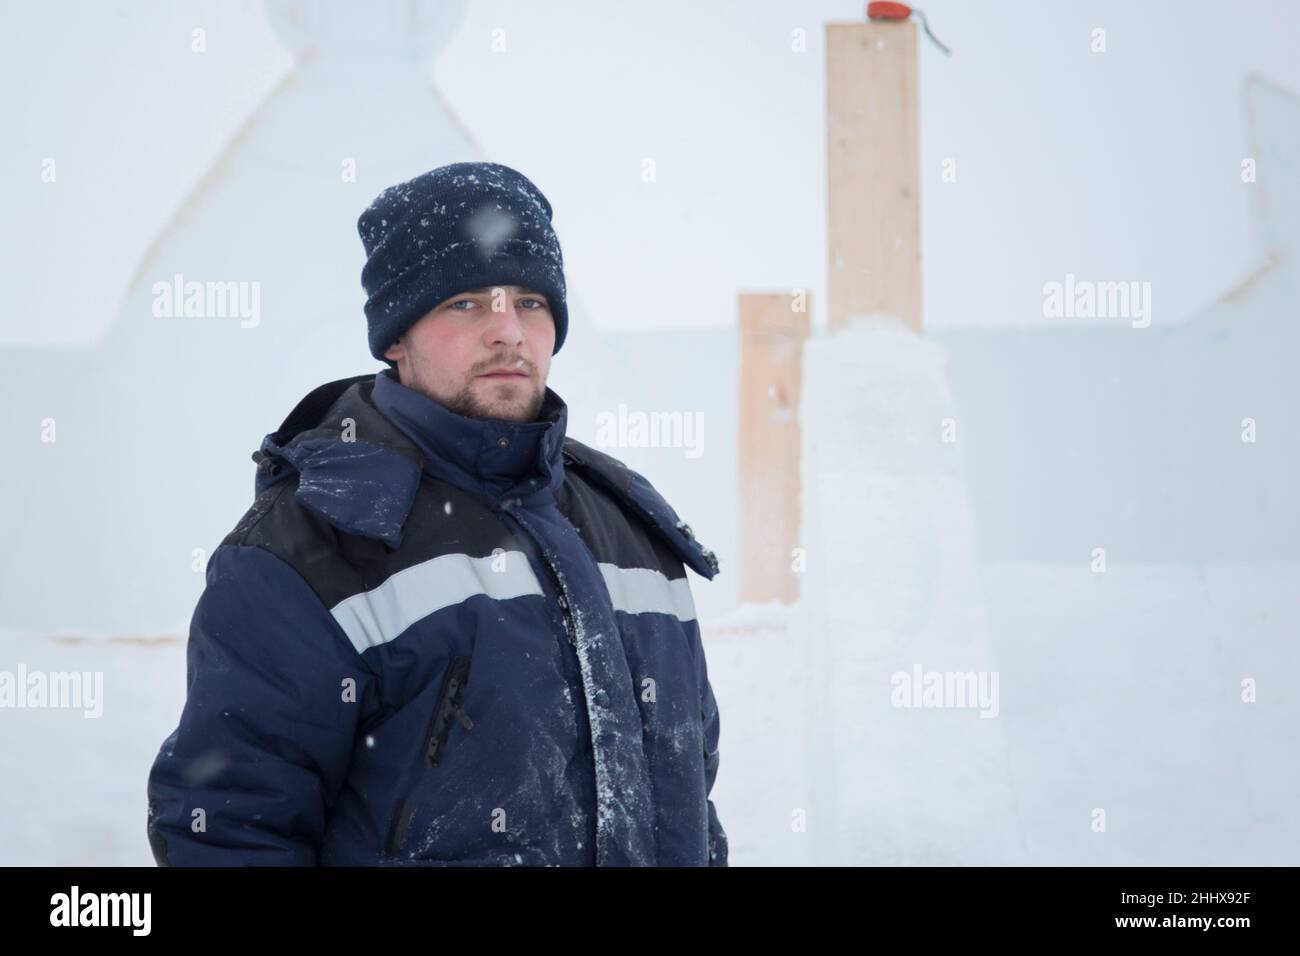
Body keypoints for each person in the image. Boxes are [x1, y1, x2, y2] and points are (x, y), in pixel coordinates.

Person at [145, 161, 727, 866]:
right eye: (468, 303)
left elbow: (692, 807)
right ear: (396, 337)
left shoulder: (630, 531)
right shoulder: (309, 551)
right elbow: (231, 832)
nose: (508, 331)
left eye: (531, 303)